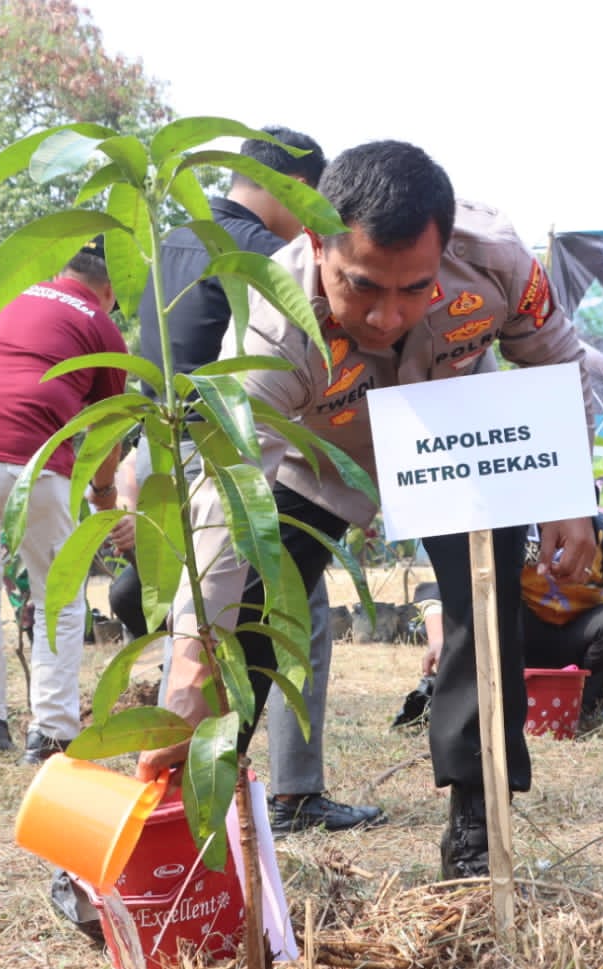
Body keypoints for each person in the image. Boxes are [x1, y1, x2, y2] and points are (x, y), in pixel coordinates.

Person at [135, 140, 597, 881]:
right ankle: (181, 830)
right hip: (314, 457)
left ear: (444, 252)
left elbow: (555, 357)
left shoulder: (498, 259)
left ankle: (478, 828)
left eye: (413, 289)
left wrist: (569, 496)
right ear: (313, 244)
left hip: (458, 436)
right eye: (360, 287)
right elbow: (229, 501)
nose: (385, 315)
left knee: (484, 614)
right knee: (250, 623)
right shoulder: (270, 327)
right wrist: (191, 657)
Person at [122, 126, 381, 835]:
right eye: (310, 204)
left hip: (165, 449)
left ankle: (176, 782)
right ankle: (286, 790)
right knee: (291, 617)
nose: (316, 227)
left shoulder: (165, 241)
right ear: (288, 190)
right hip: (245, 451)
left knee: (192, 611)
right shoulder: (275, 259)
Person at [0, 240, 127, 766]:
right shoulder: (100, 325)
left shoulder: (2, 300)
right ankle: (52, 732)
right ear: (109, 290)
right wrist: (104, 497)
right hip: (27, 457)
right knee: (57, 593)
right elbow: (108, 430)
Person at [411, 512, 603, 733]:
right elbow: (447, 590)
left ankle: (587, 707)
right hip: (521, 636)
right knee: (498, 611)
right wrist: (441, 642)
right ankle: (508, 705)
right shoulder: (510, 534)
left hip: (585, 638)